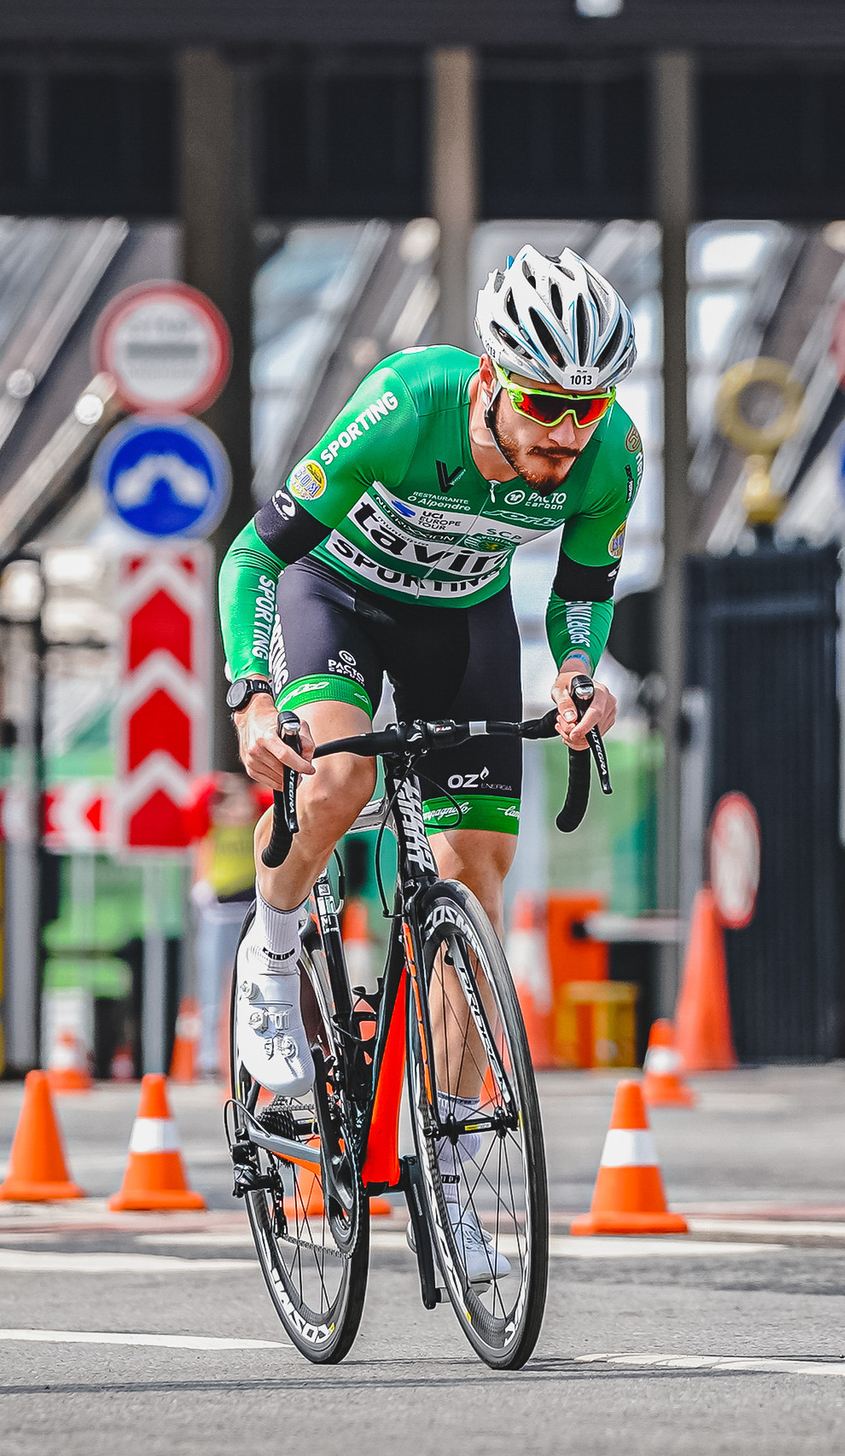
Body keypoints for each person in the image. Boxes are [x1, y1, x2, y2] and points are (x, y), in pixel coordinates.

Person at [219, 245, 635, 1280]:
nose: (565, 432)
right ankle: (273, 946)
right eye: (544, 404)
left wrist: (577, 674)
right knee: (340, 778)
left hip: (461, 619)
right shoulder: (407, 407)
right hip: (337, 601)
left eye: (587, 409)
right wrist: (252, 696)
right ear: (492, 378)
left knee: (474, 875)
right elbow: (255, 554)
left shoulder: (611, 456)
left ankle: (444, 1176)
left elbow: (582, 590)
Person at [188, 771, 260, 1077]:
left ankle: (251, 1052)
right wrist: (222, 782)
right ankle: (210, 1058)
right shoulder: (210, 827)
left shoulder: (258, 822)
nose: (237, 811)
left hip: (250, 912)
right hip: (218, 913)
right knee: (213, 988)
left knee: (254, 984)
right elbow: (195, 800)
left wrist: (247, 789)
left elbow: (275, 795)